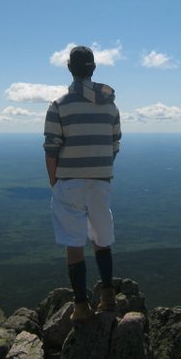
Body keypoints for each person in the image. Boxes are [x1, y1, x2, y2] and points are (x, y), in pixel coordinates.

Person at [43, 45, 122, 321]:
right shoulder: (111, 106)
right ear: (94, 68)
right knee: (102, 239)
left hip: (70, 182)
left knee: (74, 243)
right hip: (100, 180)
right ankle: (108, 298)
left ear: (69, 67)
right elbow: (114, 144)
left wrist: (55, 181)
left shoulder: (59, 105)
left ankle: (80, 307)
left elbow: (51, 147)